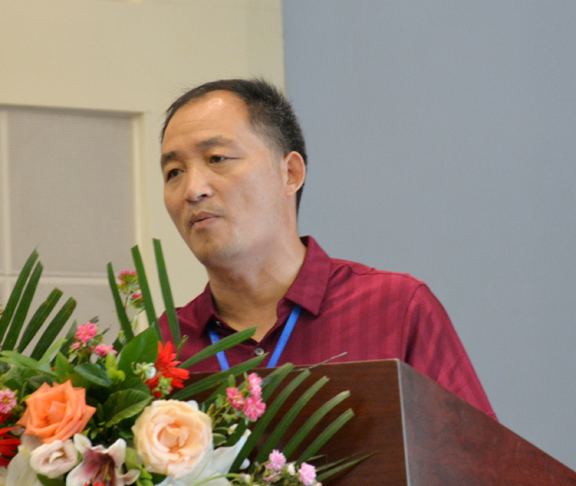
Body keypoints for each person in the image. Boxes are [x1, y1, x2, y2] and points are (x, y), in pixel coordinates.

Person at [157, 78, 495, 419]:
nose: (192, 189)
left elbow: (474, 451)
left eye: (217, 158)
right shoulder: (162, 349)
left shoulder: (396, 310)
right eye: (174, 172)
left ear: (290, 173)